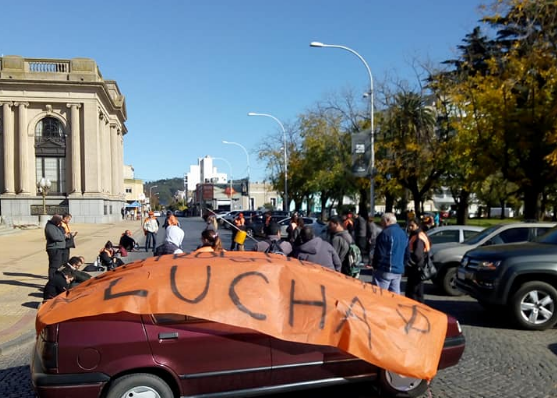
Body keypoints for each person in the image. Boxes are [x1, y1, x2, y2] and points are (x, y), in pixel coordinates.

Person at [371, 213, 409, 294]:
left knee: (379, 295)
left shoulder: (385, 233)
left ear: (387, 221)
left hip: (385, 269)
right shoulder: (403, 233)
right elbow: (407, 253)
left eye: (382, 221)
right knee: (394, 295)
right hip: (398, 269)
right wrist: (403, 266)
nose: (381, 223)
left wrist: (375, 266)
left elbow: (380, 253)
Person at [405, 219, 430, 303]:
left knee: (413, 291)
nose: (410, 227)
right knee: (418, 290)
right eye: (409, 225)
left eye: (412, 225)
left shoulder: (417, 236)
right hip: (420, 265)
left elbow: (417, 254)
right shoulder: (421, 234)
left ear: (417, 225)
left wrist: (410, 262)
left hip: (416, 267)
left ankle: (415, 308)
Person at [45, 214, 66, 280]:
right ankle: (52, 280)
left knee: (58, 265)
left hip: (58, 248)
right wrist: (64, 236)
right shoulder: (50, 227)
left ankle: (56, 279)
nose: (59, 223)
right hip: (54, 248)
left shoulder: (55, 226)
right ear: (55, 220)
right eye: (59, 222)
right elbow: (55, 237)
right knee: (54, 265)